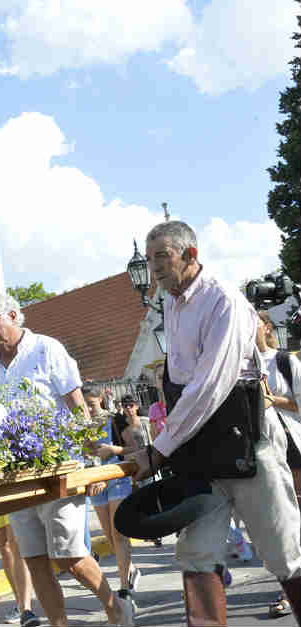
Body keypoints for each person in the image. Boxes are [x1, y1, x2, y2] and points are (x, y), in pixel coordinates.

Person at [126, 220, 301, 625]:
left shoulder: (223, 300)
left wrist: (159, 449)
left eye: (162, 256)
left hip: (245, 442)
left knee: (285, 552)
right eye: (149, 259)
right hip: (198, 449)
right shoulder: (171, 304)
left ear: (191, 255)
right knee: (196, 554)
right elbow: (183, 384)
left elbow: (210, 386)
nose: (154, 268)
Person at [0, 291, 132, 627]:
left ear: (12, 315)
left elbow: (78, 408)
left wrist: (92, 467)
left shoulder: (47, 349)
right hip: (16, 478)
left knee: (70, 557)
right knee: (35, 560)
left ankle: (115, 607)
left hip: (60, 469)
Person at [257, 309, 301, 618]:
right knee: (284, 521)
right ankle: (289, 588)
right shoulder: (239, 366)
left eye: (254, 322)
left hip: (293, 443)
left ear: (267, 327)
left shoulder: (284, 361)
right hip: (264, 450)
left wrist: (274, 400)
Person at [84, 387, 140, 606]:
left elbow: (134, 447)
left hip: (117, 479)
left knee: (118, 534)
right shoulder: (83, 426)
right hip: (96, 483)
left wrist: (113, 450)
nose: (88, 409)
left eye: (91, 404)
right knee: (109, 536)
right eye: (85, 405)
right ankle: (131, 570)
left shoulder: (116, 420)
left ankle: (124, 587)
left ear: (100, 399)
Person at [0, 514, 38, 626]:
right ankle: (19, 603)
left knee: (16, 545)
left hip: (11, 504)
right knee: (4, 548)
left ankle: (25, 608)